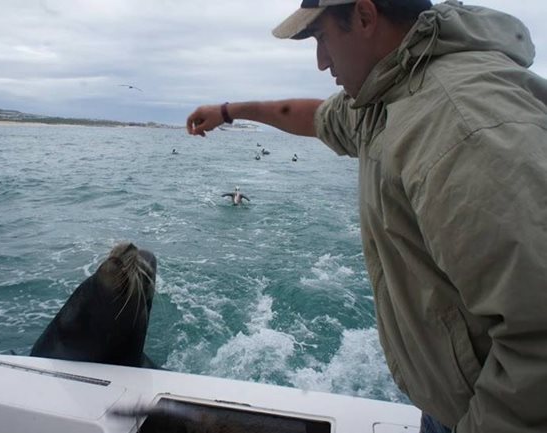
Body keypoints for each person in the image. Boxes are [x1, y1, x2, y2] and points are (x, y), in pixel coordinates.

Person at [186, 1, 547, 432]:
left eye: (321, 38)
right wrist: (229, 112)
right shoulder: (391, 96)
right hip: (455, 403)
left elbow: (538, 342)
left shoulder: (461, 127)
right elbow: (317, 117)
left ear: (364, 16)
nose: (320, 62)